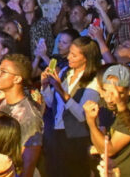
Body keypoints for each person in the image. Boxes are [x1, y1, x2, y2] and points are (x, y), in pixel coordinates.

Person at [41, 36, 102, 177]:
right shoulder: (64, 73)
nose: (69, 57)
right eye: (69, 53)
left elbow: (82, 115)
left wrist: (61, 91)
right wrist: (45, 86)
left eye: (74, 55)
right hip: (56, 133)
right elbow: (52, 104)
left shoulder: (93, 81)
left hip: (77, 138)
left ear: (86, 58)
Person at [0, 54, 43, 177]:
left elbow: (29, 162)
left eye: (3, 72)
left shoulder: (30, 116)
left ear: (17, 79)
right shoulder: (1, 104)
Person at [83, 65, 130, 177]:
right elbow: (99, 144)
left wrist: (91, 122)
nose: (109, 99)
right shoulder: (104, 105)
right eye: (105, 91)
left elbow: (108, 150)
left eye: (117, 93)